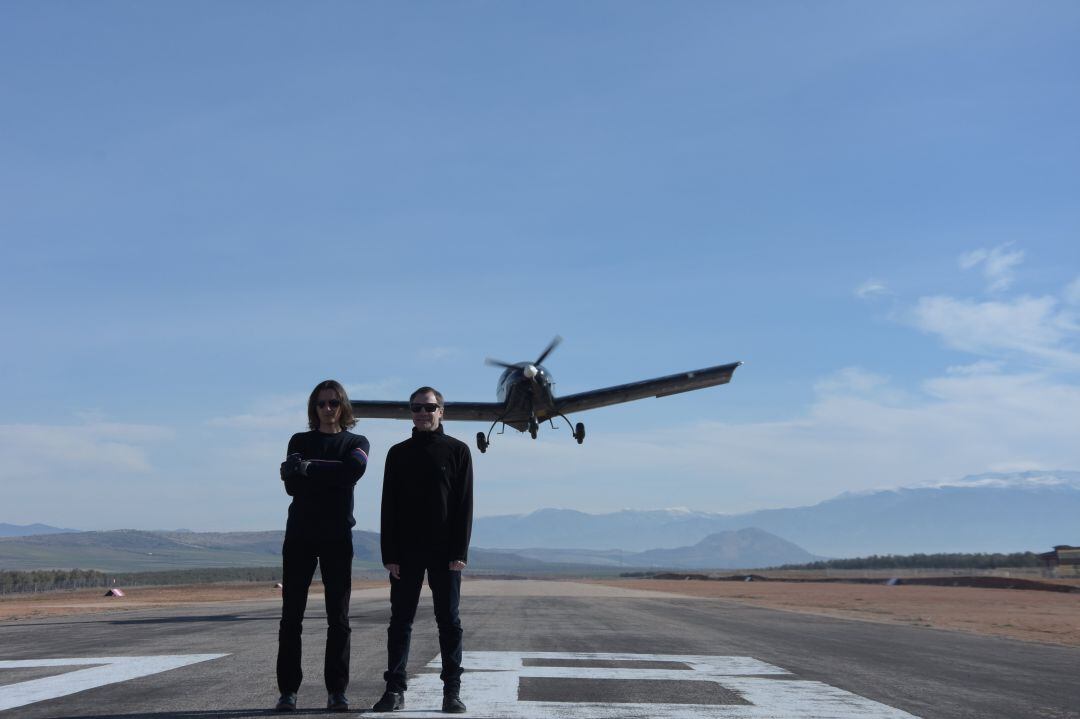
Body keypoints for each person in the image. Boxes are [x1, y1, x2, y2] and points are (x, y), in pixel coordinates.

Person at [372, 386, 473, 714]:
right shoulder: (397, 453)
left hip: (446, 552)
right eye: (416, 408)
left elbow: (463, 505)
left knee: (449, 622)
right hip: (407, 551)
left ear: (441, 411)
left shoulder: (458, 451)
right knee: (400, 621)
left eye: (429, 408)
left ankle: (451, 693)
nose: (422, 413)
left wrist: (460, 551)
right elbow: (389, 505)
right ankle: (394, 690)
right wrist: (390, 553)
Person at [274, 380, 370, 713]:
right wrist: (316, 472)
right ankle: (288, 692)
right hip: (300, 536)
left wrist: (309, 468)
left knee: (338, 618)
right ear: (313, 409)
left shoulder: (356, 441)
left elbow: (353, 471)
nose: (327, 409)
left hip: (337, 538)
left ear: (343, 406)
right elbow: (291, 486)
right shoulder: (299, 440)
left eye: (333, 403)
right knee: (291, 618)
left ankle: (337, 691)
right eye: (321, 404)